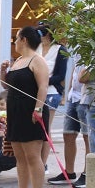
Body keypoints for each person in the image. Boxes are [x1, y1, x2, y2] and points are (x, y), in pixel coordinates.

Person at [0, 26, 49, 188]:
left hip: (31, 112)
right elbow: (7, 87)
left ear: (24, 40)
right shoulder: (18, 60)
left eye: (17, 38)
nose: (15, 41)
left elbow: (43, 87)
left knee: (33, 156)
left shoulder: (38, 61)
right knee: (19, 156)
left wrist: (38, 108)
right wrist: (3, 71)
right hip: (15, 111)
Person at [49, 55, 90, 187]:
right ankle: (69, 171)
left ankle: (87, 173)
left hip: (86, 97)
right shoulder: (78, 48)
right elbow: (74, 69)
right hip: (73, 96)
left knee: (87, 137)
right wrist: (68, 93)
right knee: (68, 134)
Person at [36, 22, 68, 169]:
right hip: (34, 92)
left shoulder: (60, 50)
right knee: (35, 129)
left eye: (41, 32)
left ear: (48, 33)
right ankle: (36, 162)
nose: (39, 35)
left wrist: (43, 81)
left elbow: (61, 75)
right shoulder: (36, 48)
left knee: (45, 128)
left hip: (51, 92)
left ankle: (43, 163)